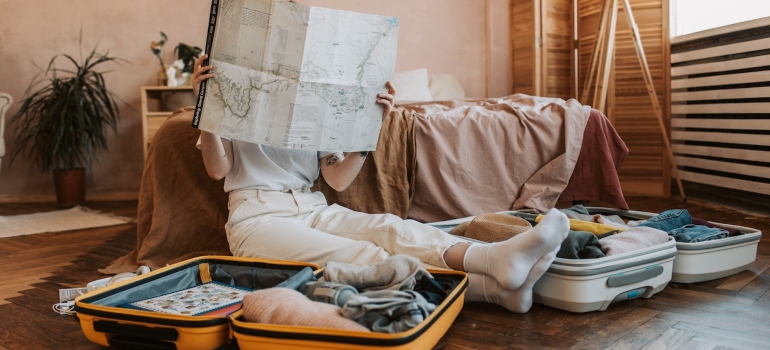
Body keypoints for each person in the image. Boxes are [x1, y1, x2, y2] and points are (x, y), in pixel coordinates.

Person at [192, 54, 570, 313]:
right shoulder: (230, 93)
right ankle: (490, 290)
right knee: (362, 256)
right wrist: (205, 108)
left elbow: (335, 178)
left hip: (311, 207)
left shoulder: (314, 98)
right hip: (258, 218)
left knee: (390, 227)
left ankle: (495, 260)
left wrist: (368, 127)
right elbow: (217, 170)